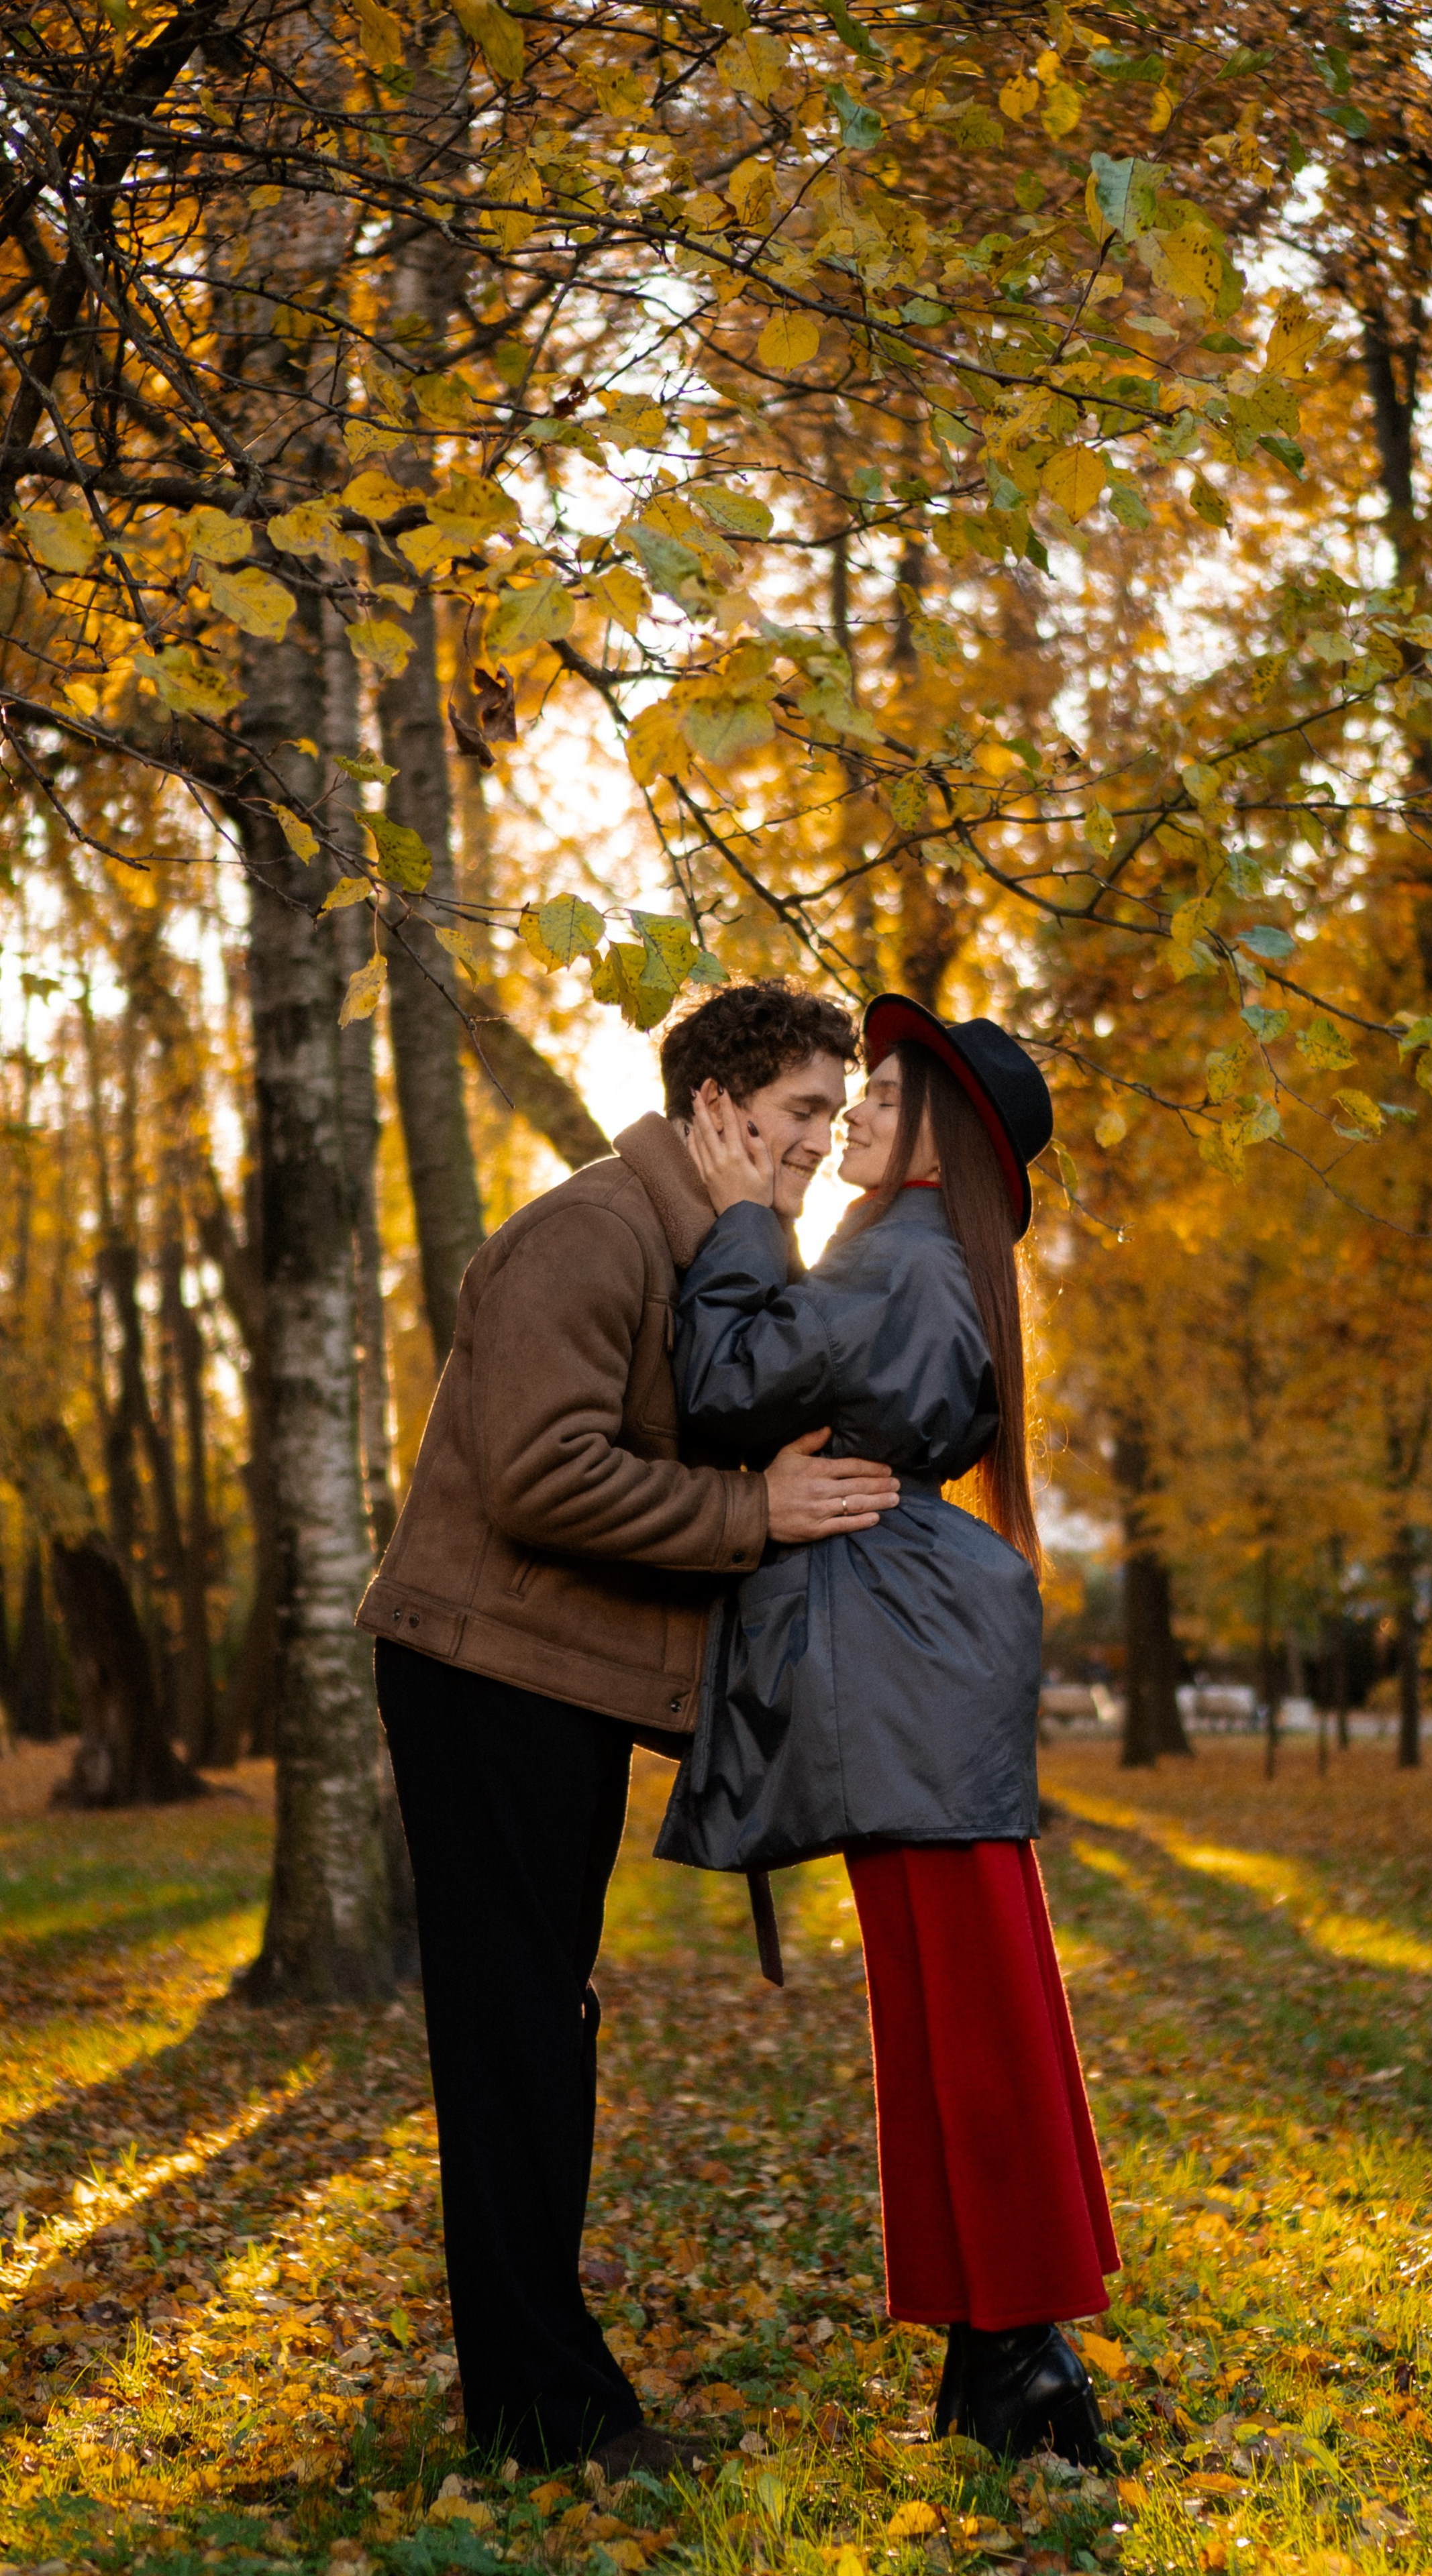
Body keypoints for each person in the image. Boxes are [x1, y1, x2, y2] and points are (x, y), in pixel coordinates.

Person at [356, 981, 903, 2476]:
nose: (820, 1138)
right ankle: (544, 2418)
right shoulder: (590, 1233)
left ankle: (542, 2399)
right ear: (716, 1106)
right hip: (485, 1674)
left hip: (553, 1677)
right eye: (800, 1111)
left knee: (540, 2028)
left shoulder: (698, 1241)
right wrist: (752, 1512)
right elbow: (541, 1476)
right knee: (515, 2035)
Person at [656, 993, 1119, 2463]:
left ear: (940, 1143)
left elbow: (724, 1383)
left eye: (884, 1091)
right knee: (943, 2011)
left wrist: (738, 1217)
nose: (852, 1106)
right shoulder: (902, 1256)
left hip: (905, 1665)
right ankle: (996, 2354)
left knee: (969, 2012)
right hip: (908, 1655)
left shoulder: (903, 1261)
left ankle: (1028, 2353)